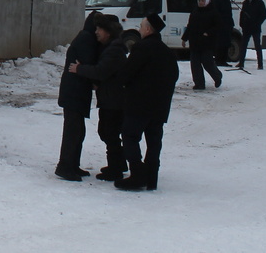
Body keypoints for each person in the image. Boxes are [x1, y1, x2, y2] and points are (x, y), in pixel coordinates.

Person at [113, 13, 179, 191]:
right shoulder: (167, 51)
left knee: (129, 135)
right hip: (160, 106)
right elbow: (175, 76)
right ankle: (151, 176)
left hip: (139, 104)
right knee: (154, 139)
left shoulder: (141, 48)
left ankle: (137, 174)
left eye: (142, 26)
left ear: (149, 29)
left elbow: (127, 73)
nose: (140, 29)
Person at [69, 14, 128, 181]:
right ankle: (119, 164)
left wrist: (79, 69)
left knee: (109, 133)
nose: (96, 32)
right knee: (108, 133)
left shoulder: (114, 50)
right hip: (111, 98)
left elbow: (101, 71)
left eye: (99, 29)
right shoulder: (111, 48)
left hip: (114, 101)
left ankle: (116, 169)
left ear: (108, 32)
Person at [55, 12, 100, 181]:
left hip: (75, 92)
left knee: (78, 130)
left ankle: (72, 164)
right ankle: (65, 166)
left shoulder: (85, 36)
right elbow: (89, 63)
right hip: (74, 92)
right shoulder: (86, 39)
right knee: (73, 131)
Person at [182, 0, 223, 90]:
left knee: (207, 63)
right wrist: (184, 38)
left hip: (206, 43)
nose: (200, 2)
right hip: (195, 42)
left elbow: (218, 26)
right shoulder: (195, 12)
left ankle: (217, 76)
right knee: (195, 65)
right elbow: (190, 26)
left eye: (202, 0)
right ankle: (199, 83)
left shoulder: (213, 12)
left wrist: (208, 33)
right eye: (199, 0)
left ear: (207, 1)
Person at [238, 0, 266, 70]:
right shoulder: (245, 3)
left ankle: (260, 64)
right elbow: (242, 14)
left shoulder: (259, 3)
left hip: (255, 28)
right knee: (243, 45)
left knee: (257, 46)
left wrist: (257, 23)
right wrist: (242, 24)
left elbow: (263, 15)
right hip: (246, 28)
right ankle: (241, 63)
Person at [212, 0, 235, 65]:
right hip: (220, 26)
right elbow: (216, 14)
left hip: (227, 25)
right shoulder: (217, 0)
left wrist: (231, 23)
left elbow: (229, 13)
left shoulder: (227, 0)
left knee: (226, 43)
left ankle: (224, 60)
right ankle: (218, 60)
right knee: (219, 44)